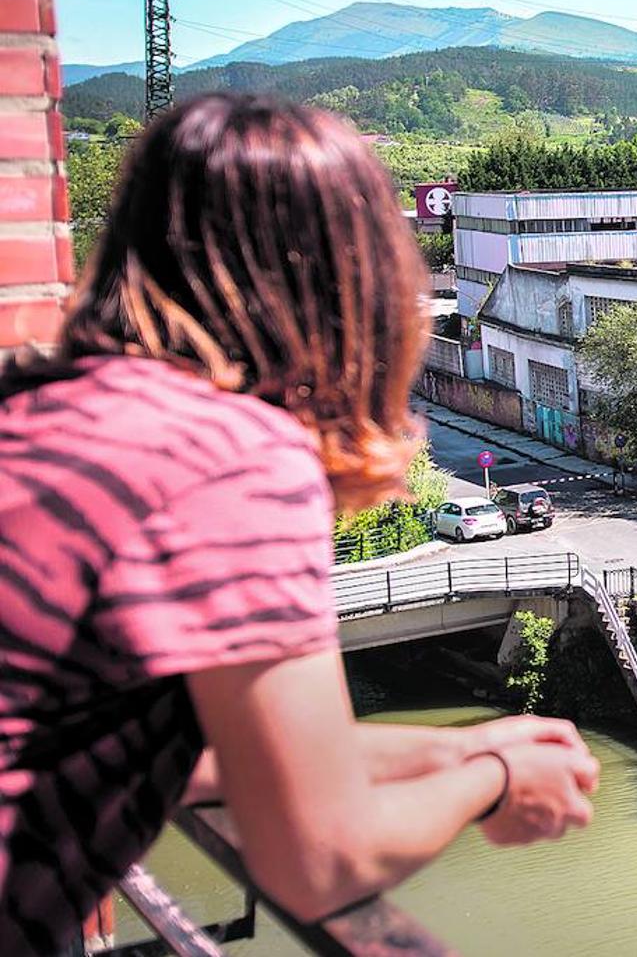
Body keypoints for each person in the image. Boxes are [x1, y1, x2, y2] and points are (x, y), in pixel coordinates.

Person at [0, 94, 599, 955]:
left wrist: (452, 754)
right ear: (355, 284)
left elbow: (188, 766)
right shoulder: (226, 454)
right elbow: (320, 859)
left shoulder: (41, 404)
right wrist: (498, 781)